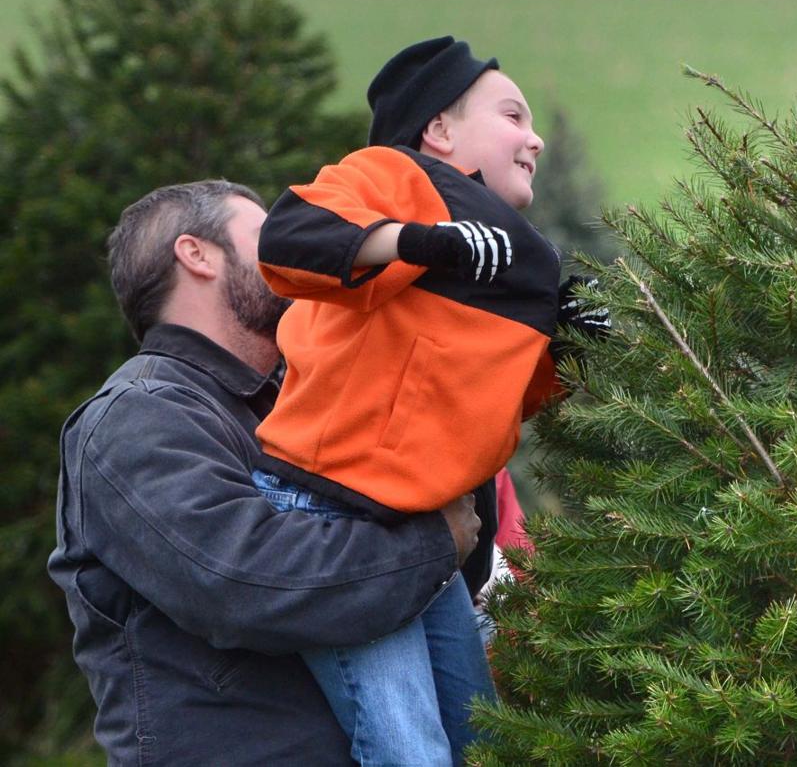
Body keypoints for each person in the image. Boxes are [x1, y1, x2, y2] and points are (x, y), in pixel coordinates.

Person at [254, 36, 607, 766]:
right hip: (335, 519)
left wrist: (569, 344)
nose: (534, 136)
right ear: (439, 131)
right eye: (513, 114)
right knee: (410, 752)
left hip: (419, 538)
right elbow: (287, 239)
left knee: (482, 742)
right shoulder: (393, 174)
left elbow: (500, 405)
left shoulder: (517, 255)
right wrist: (418, 240)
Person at [48, 180, 484, 766]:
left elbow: (456, 566)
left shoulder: (300, 405)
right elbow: (244, 581)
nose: (295, 254)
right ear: (195, 254)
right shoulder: (138, 417)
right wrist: (431, 547)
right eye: (268, 239)